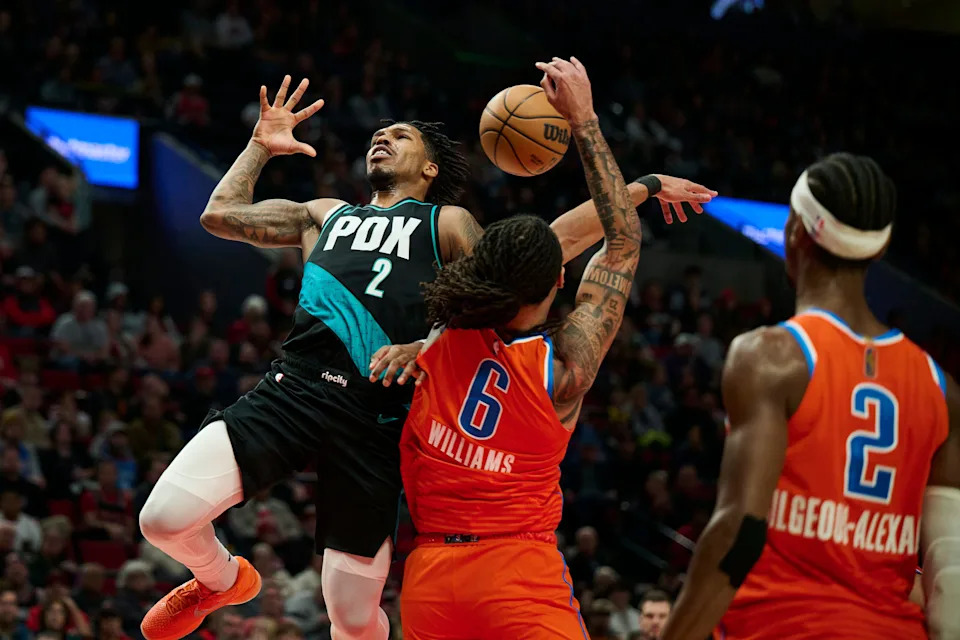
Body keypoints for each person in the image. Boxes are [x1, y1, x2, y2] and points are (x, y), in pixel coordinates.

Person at [391, 56, 714, 639]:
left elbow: (554, 243)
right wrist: (587, 125)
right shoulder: (563, 368)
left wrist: (645, 188)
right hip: (517, 575)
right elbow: (618, 245)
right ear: (560, 280)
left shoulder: (444, 331)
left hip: (430, 579)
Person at [661, 154, 960, 640]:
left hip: (779, 625)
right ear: (878, 250)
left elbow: (741, 531)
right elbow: (949, 572)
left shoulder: (772, 357)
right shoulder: (940, 387)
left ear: (796, 231)